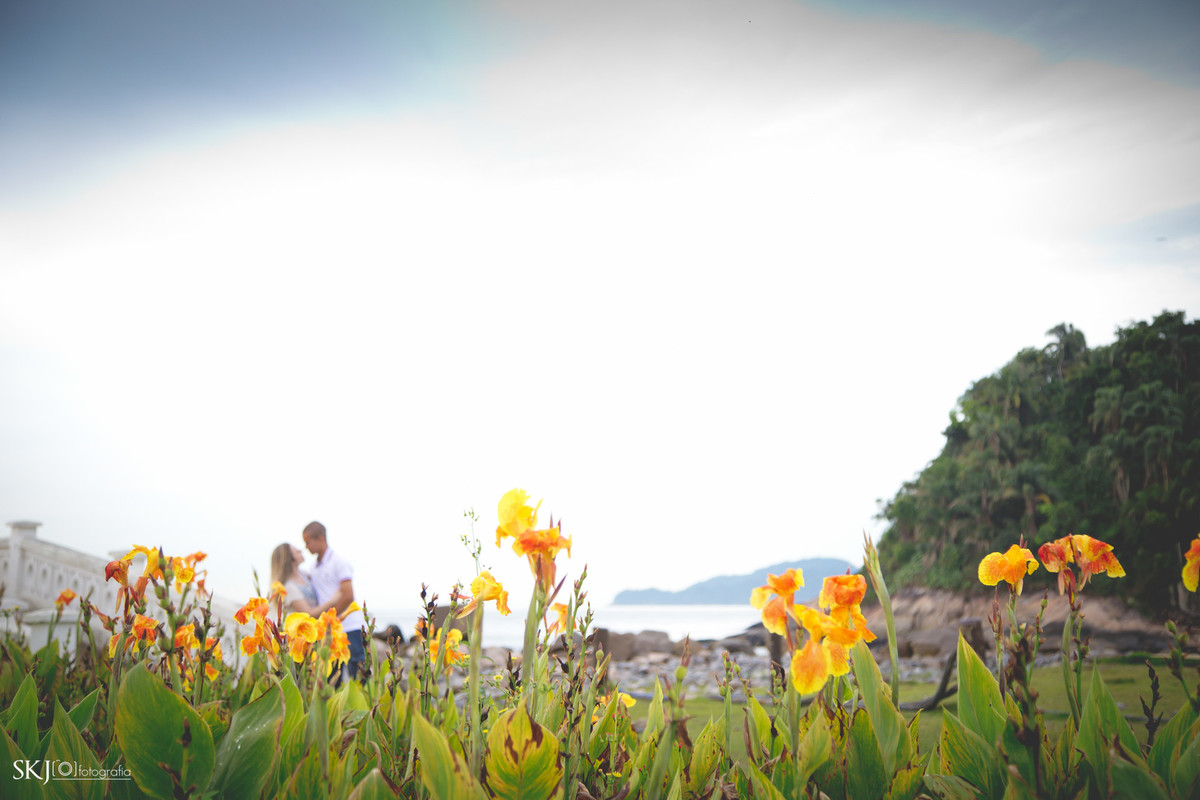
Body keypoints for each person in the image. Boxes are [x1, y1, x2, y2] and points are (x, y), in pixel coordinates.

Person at [302, 520, 367, 680]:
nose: (306, 546)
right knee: (331, 678)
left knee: (358, 677)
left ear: (321, 539)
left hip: (350, 627)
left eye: (308, 541)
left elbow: (347, 595)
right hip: (330, 631)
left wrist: (330, 619)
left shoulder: (339, 562)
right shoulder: (313, 568)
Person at [269, 543, 320, 614]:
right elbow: (309, 614)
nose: (301, 551)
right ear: (290, 558)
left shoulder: (303, 574)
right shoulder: (288, 588)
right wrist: (336, 599)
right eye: (296, 551)